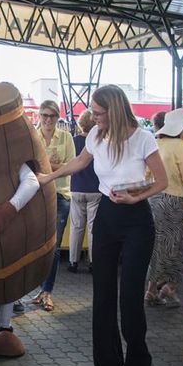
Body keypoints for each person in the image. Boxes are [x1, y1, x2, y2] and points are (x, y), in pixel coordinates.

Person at [38, 84, 168, 366]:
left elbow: (162, 181)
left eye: (98, 113)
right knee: (103, 295)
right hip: (107, 214)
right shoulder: (95, 136)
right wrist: (49, 177)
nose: (93, 118)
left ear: (115, 109)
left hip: (137, 220)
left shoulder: (143, 138)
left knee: (130, 297)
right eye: (93, 114)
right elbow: (79, 163)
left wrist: (138, 198)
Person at [145, 108, 183, 309]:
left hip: (154, 200)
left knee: (158, 247)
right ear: (181, 128)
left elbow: (147, 174)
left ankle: (151, 289)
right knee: (179, 247)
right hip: (176, 202)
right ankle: (169, 287)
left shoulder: (156, 144)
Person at [31, 100, 75, 312]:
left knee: (54, 248)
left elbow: (73, 167)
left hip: (60, 195)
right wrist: (56, 165)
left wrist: (48, 165)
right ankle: (39, 289)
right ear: (39, 116)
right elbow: (27, 168)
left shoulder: (65, 137)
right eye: (44, 115)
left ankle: (47, 291)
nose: (48, 120)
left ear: (58, 118)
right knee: (36, 246)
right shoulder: (33, 137)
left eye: (52, 116)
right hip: (36, 197)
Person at [67, 109, 101, 274]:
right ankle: (93, 262)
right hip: (95, 189)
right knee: (93, 227)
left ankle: (73, 261)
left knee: (76, 226)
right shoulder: (98, 141)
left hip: (76, 187)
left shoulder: (73, 141)